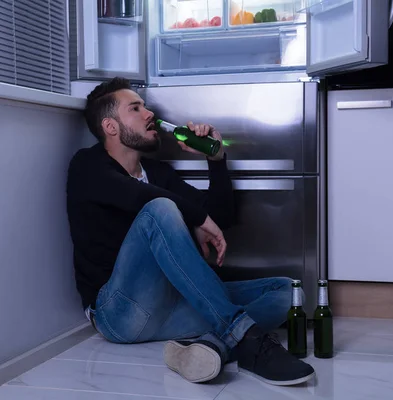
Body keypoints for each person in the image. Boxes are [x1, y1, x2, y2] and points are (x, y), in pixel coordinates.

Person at [66, 77, 315, 386]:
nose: (149, 115)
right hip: (117, 313)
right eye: (136, 108)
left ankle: (210, 347)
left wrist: (216, 159)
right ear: (111, 127)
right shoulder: (88, 166)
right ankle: (247, 341)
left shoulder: (157, 174)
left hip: (169, 306)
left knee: (287, 291)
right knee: (160, 209)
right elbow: (138, 197)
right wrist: (195, 217)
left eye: (145, 107)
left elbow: (220, 216)